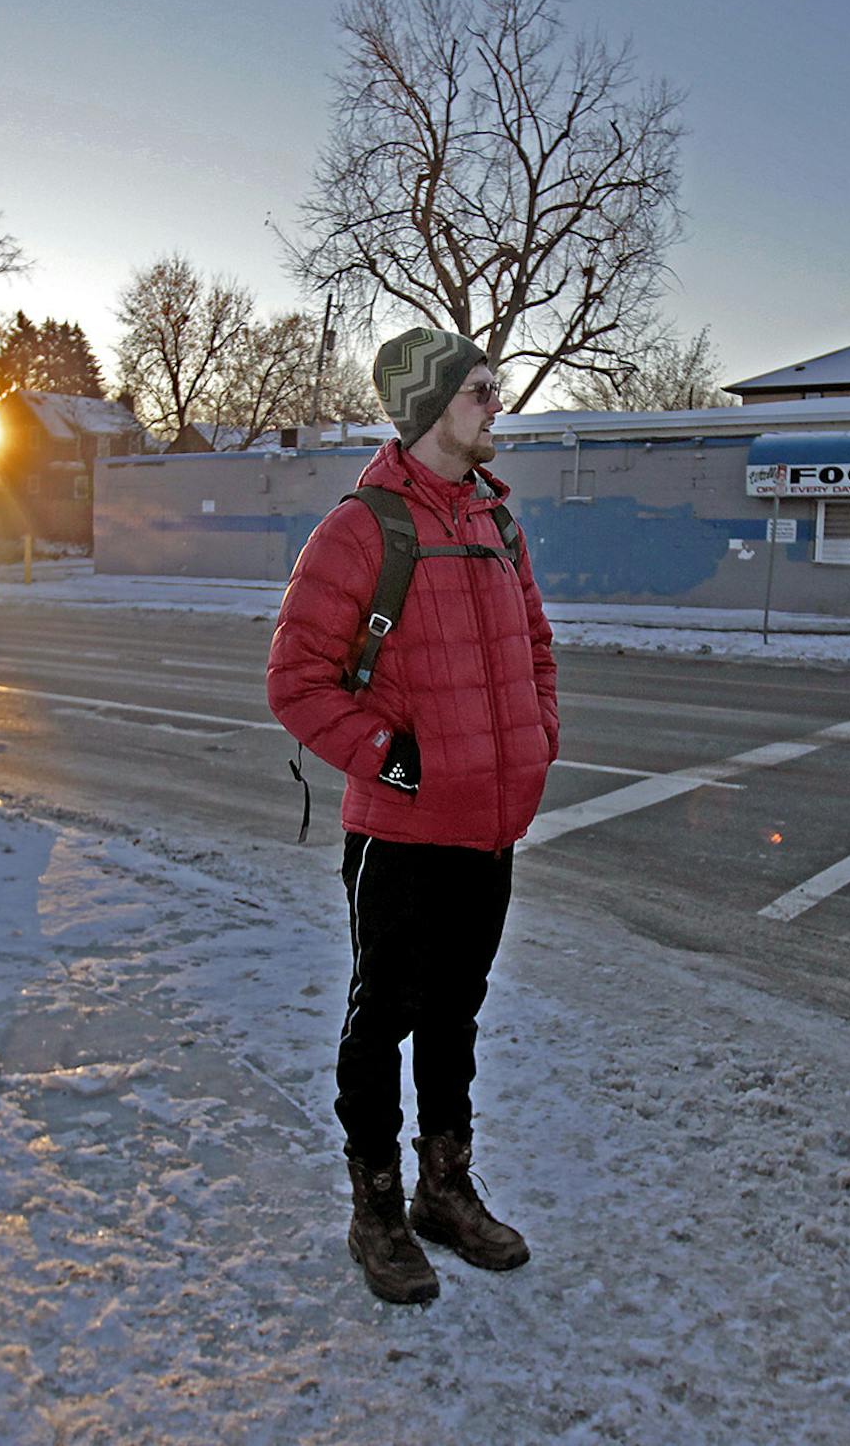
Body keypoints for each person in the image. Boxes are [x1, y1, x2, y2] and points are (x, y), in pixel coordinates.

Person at [267, 326, 559, 1305]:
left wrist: (538, 740)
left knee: (455, 1014)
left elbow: (538, 651)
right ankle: (378, 1209)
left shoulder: (494, 523)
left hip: (490, 830)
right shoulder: (364, 529)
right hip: (401, 834)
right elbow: (297, 681)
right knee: (379, 1021)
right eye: (480, 388)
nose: (495, 403)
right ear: (433, 405)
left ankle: (445, 1189)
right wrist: (392, 761)